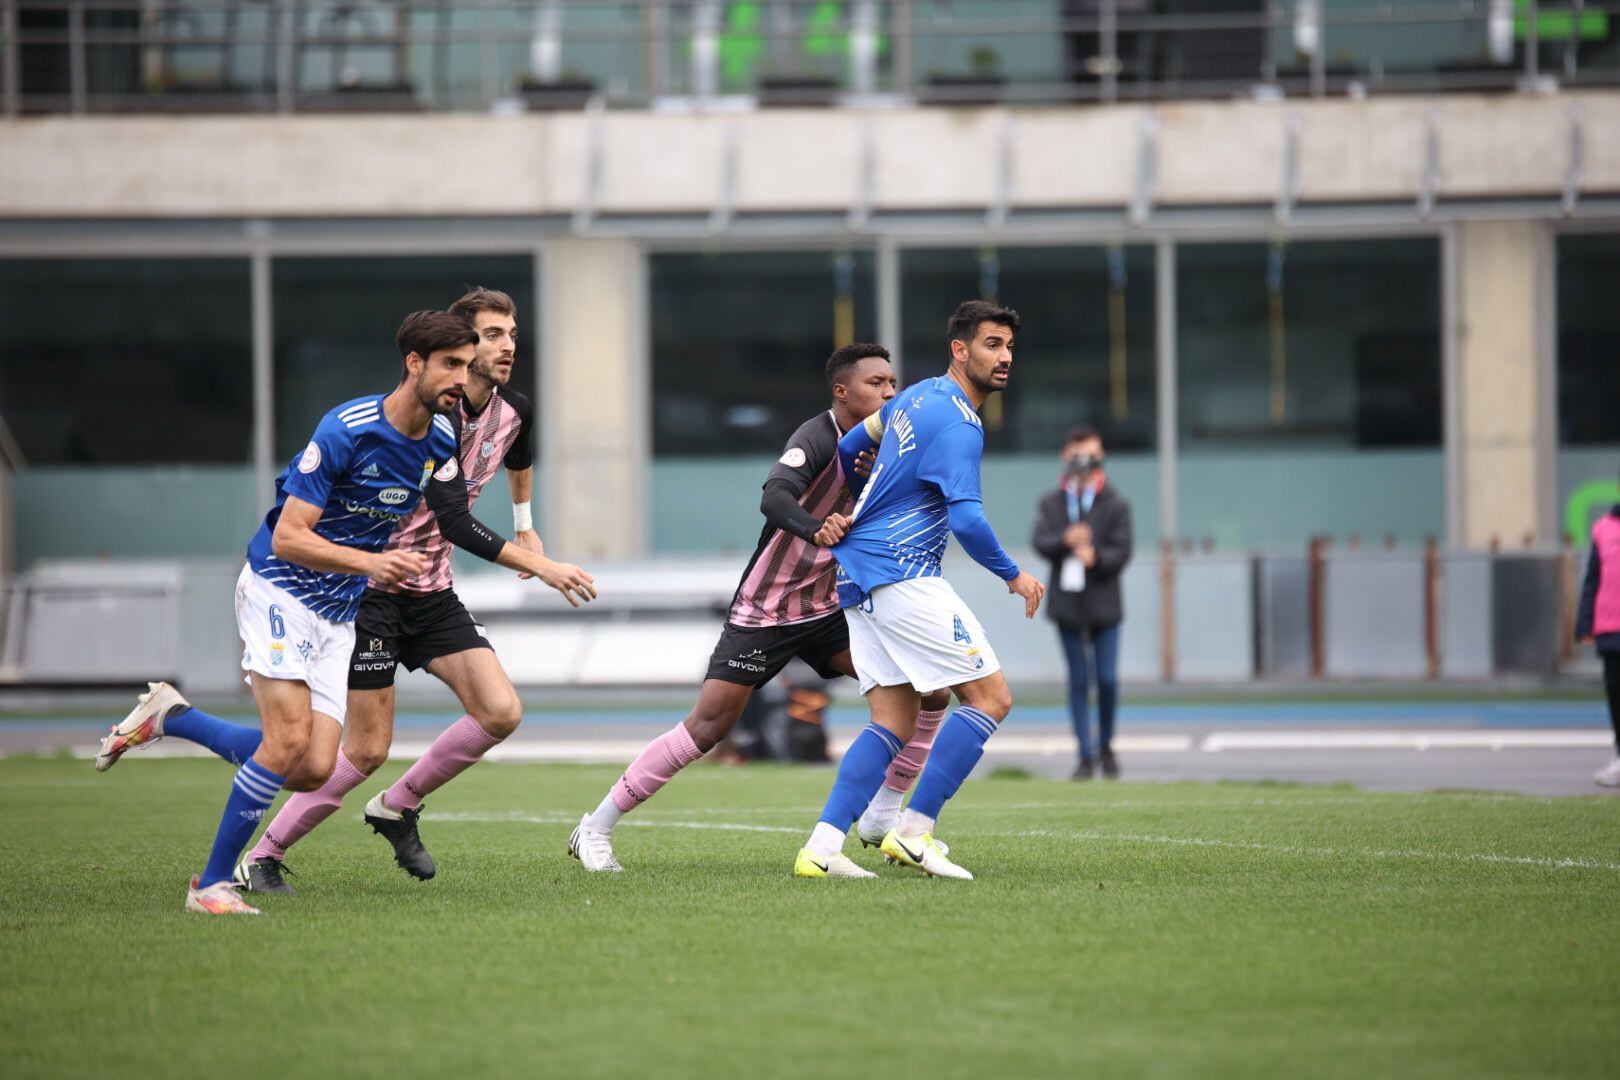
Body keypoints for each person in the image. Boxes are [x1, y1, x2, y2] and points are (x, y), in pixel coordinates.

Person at [94, 310, 476, 915]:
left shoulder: (440, 440)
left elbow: (445, 512)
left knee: (312, 767)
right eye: (451, 364)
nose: (462, 378)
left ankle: (173, 717)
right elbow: (289, 538)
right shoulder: (346, 429)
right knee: (288, 739)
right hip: (281, 590)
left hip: (337, 612)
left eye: (467, 366)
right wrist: (371, 564)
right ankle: (212, 885)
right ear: (414, 364)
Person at [233, 287, 597, 892]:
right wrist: (544, 565)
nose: (507, 346)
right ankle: (263, 856)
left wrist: (527, 527)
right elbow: (452, 517)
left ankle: (396, 806)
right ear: (457, 346)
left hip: (432, 589)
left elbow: (519, 453)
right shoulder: (433, 417)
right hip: (373, 588)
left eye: (512, 333)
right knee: (367, 748)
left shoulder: (515, 409)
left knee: (501, 711)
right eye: (491, 335)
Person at [568, 344, 952, 872]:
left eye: (893, 383)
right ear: (841, 393)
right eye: (876, 383)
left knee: (927, 689)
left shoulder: (888, 446)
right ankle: (594, 827)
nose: (890, 392)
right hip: (767, 610)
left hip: (830, 609)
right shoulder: (816, 437)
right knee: (709, 726)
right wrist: (816, 526)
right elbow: (774, 498)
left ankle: (884, 817)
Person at [792, 300, 1045, 881]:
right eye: (991, 345)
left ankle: (821, 849)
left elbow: (854, 442)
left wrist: (866, 485)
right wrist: (1014, 575)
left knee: (894, 721)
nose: (1004, 357)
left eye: (1008, 346)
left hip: (857, 574)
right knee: (991, 700)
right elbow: (969, 521)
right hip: (902, 573)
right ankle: (914, 831)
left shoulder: (917, 395)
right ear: (960, 350)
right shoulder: (959, 422)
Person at [1031, 427, 1133, 779]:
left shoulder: (1116, 503)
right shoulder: (1052, 502)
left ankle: (1105, 746)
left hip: (1104, 604)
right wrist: (1065, 539)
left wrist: (1097, 557)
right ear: (1065, 456)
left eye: (1091, 454)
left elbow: (1122, 552)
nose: (1084, 462)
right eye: (1077, 455)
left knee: (1106, 679)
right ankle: (1085, 755)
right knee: (1078, 680)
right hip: (1068, 606)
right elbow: (1041, 542)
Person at [1575, 495, 1620, 788]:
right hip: (1611, 627)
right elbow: (1592, 580)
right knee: (1616, 696)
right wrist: (1584, 623)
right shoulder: (1603, 528)